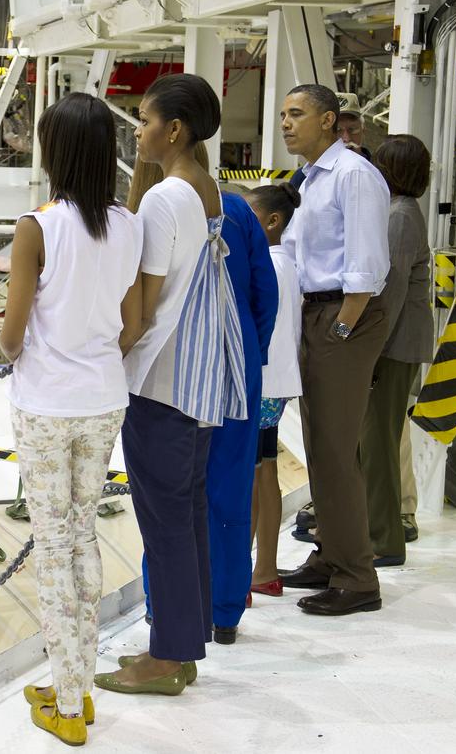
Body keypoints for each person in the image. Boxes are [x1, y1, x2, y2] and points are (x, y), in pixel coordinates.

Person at [94, 73, 247, 697]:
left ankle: (166, 658)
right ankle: (182, 648)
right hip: (199, 376)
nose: (138, 131)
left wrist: (106, 357)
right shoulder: (200, 187)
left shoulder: (166, 200)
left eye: (145, 120)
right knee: (184, 518)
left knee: (164, 523)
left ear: (174, 129)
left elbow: (143, 304)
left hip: (162, 379)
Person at [0, 92, 145, 746]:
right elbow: (133, 324)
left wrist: (32, 345)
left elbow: (10, 336)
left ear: (55, 152)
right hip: (103, 398)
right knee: (83, 537)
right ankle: (77, 684)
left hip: (45, 405)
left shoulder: (38, 226)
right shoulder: (129, 224)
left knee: (53, 549)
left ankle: (64, 702)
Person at [277, 84, 392, 616]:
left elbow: (366, 266)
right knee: (321, 447)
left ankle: (357, 578)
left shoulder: (352, 175)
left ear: (328, 121)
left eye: (296, 114)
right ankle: (331, 555)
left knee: (336, 451)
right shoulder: (310, 179)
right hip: (317, 315)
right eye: (283, 115)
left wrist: (340, 331)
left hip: (344, 316)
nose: (286, 123)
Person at [203, 187, 277, 645]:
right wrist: (251, 350)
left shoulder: (154, 205)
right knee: (231, 487)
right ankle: (225, 612)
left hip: (170, 373)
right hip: (236, 360)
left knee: (171, 497)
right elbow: (265, 293)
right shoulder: (235, 209)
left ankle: (166, 607)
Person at [360, 135, 434, 567]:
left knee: (378, 442)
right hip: (396, 342)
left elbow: (392, 292)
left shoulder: (400, 217)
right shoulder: (400, 212)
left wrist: (369, 348)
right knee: (375, 440)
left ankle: (384, 539)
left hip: (394, 345)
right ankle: (375, 530)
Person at [246, 184, 304, 598]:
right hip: (276, 383)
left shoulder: (268, 263)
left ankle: (245, 570)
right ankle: (262, 567)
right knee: (264, 473)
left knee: (249, 478)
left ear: (272, 221)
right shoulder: (285, 263)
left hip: (262, 384)